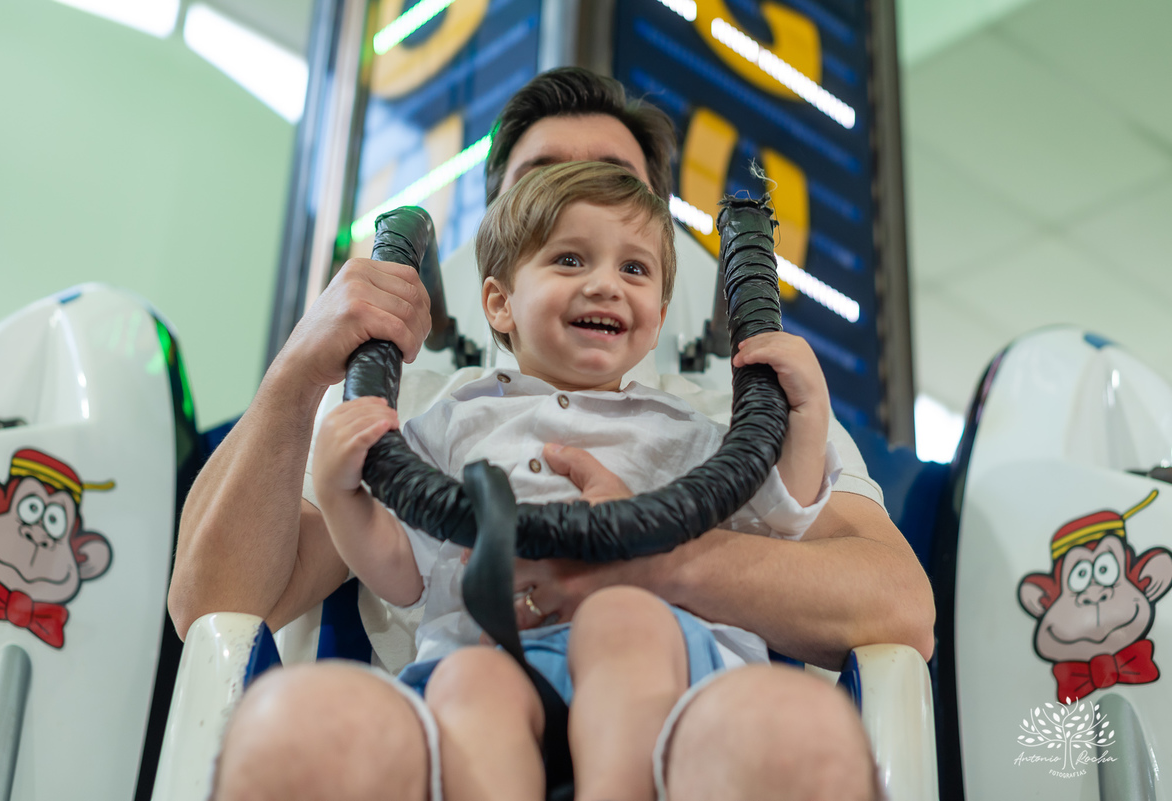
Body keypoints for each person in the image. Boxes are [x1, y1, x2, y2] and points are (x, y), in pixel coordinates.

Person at [173, 67, 933, 800]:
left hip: (675, 686)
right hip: (473, 677)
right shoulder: (418, 412)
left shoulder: (731, 412)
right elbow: (217, 602)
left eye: (614, 189)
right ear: (494, 269)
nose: (590, 238)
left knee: (789, 726)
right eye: (547, 192)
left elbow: (884, 592)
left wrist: (646, 559)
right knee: (301, 730)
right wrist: (302, 371)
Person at [313, 162, 843, 801]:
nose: (605, 286)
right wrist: (342, 492)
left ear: (658, 318)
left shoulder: (690, 430)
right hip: (493, 650)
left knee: (624, 619)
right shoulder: (452, 423)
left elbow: (772, 527)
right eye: (569, 260)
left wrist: (806, 421)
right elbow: (403, 573)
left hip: (662, 673)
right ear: (500, 303)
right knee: (467, 682)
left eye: (635, 269)